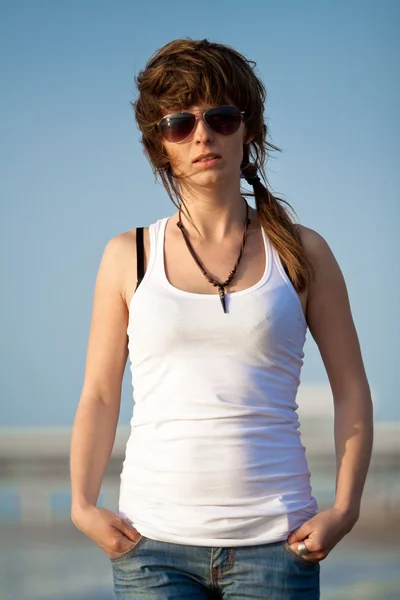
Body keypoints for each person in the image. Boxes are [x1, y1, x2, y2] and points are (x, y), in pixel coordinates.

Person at [70, 38, 373, 599]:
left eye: (221, 117)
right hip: (150, 546)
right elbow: (99, 394)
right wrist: (82, 506)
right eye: (179, 122)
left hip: (279, 545)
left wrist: (346, 509)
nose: (203, 134)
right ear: (160, 146)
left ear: (248, 128)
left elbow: (351, 388)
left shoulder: (303, 252)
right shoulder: (126, 255)